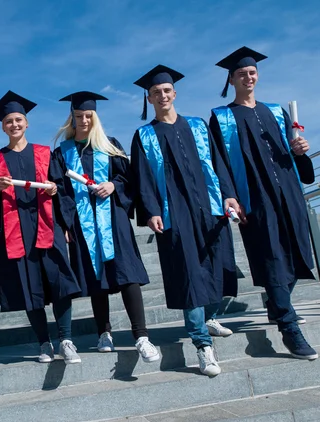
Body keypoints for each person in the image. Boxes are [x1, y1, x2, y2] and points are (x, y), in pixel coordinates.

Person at [131, 66, 240, 376]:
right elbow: (142, 179)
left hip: (209, 206)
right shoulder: (144, 135)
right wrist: (151, 211)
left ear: (174, 94)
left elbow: (218, 162)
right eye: (156, 92)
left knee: (218, 265)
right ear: (149, 98)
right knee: (190, 274)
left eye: (167, 91)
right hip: (173, 212)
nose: (162, 95)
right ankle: (203, 346)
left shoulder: (197, 125)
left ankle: (209, 316)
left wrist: (229, 195)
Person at [210, 47, 317, 360]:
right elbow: (219, 163)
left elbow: (292, 151)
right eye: (242, 73)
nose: (248, 76)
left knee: (297, 252)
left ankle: (275, 303)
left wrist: (300, 150)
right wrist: (230, 195)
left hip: (289, 192)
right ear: (231, 79)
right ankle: (288, 327)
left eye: (252, 72)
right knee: (270, 256)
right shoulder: (222, 118)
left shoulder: (275, 110)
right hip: (255, 196)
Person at [53, 91, 160, 362]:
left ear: (95, 117)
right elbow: (60, 191)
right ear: (72, 118)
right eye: (79, 116)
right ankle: (104, 333)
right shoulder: (62, 153)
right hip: (82, 224)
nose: (84, 120)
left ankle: (142, 337)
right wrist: (65, 223)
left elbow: (128, 178)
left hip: (113, 221)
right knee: (95, 278)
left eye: (89, 115)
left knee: (127, 275)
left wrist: (113, 185)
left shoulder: (109, 145)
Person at [0, 91, 82, 364]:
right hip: (16, 233)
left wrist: (55, 192)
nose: (14, 125)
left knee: (59, 282)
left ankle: (66, 339)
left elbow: (63, 189)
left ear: (27, 123)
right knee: (29, 287)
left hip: (47, 228)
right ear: (2, 127)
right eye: (8, 122)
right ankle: (44, 343)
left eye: (18, 120)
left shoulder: (44, 153)